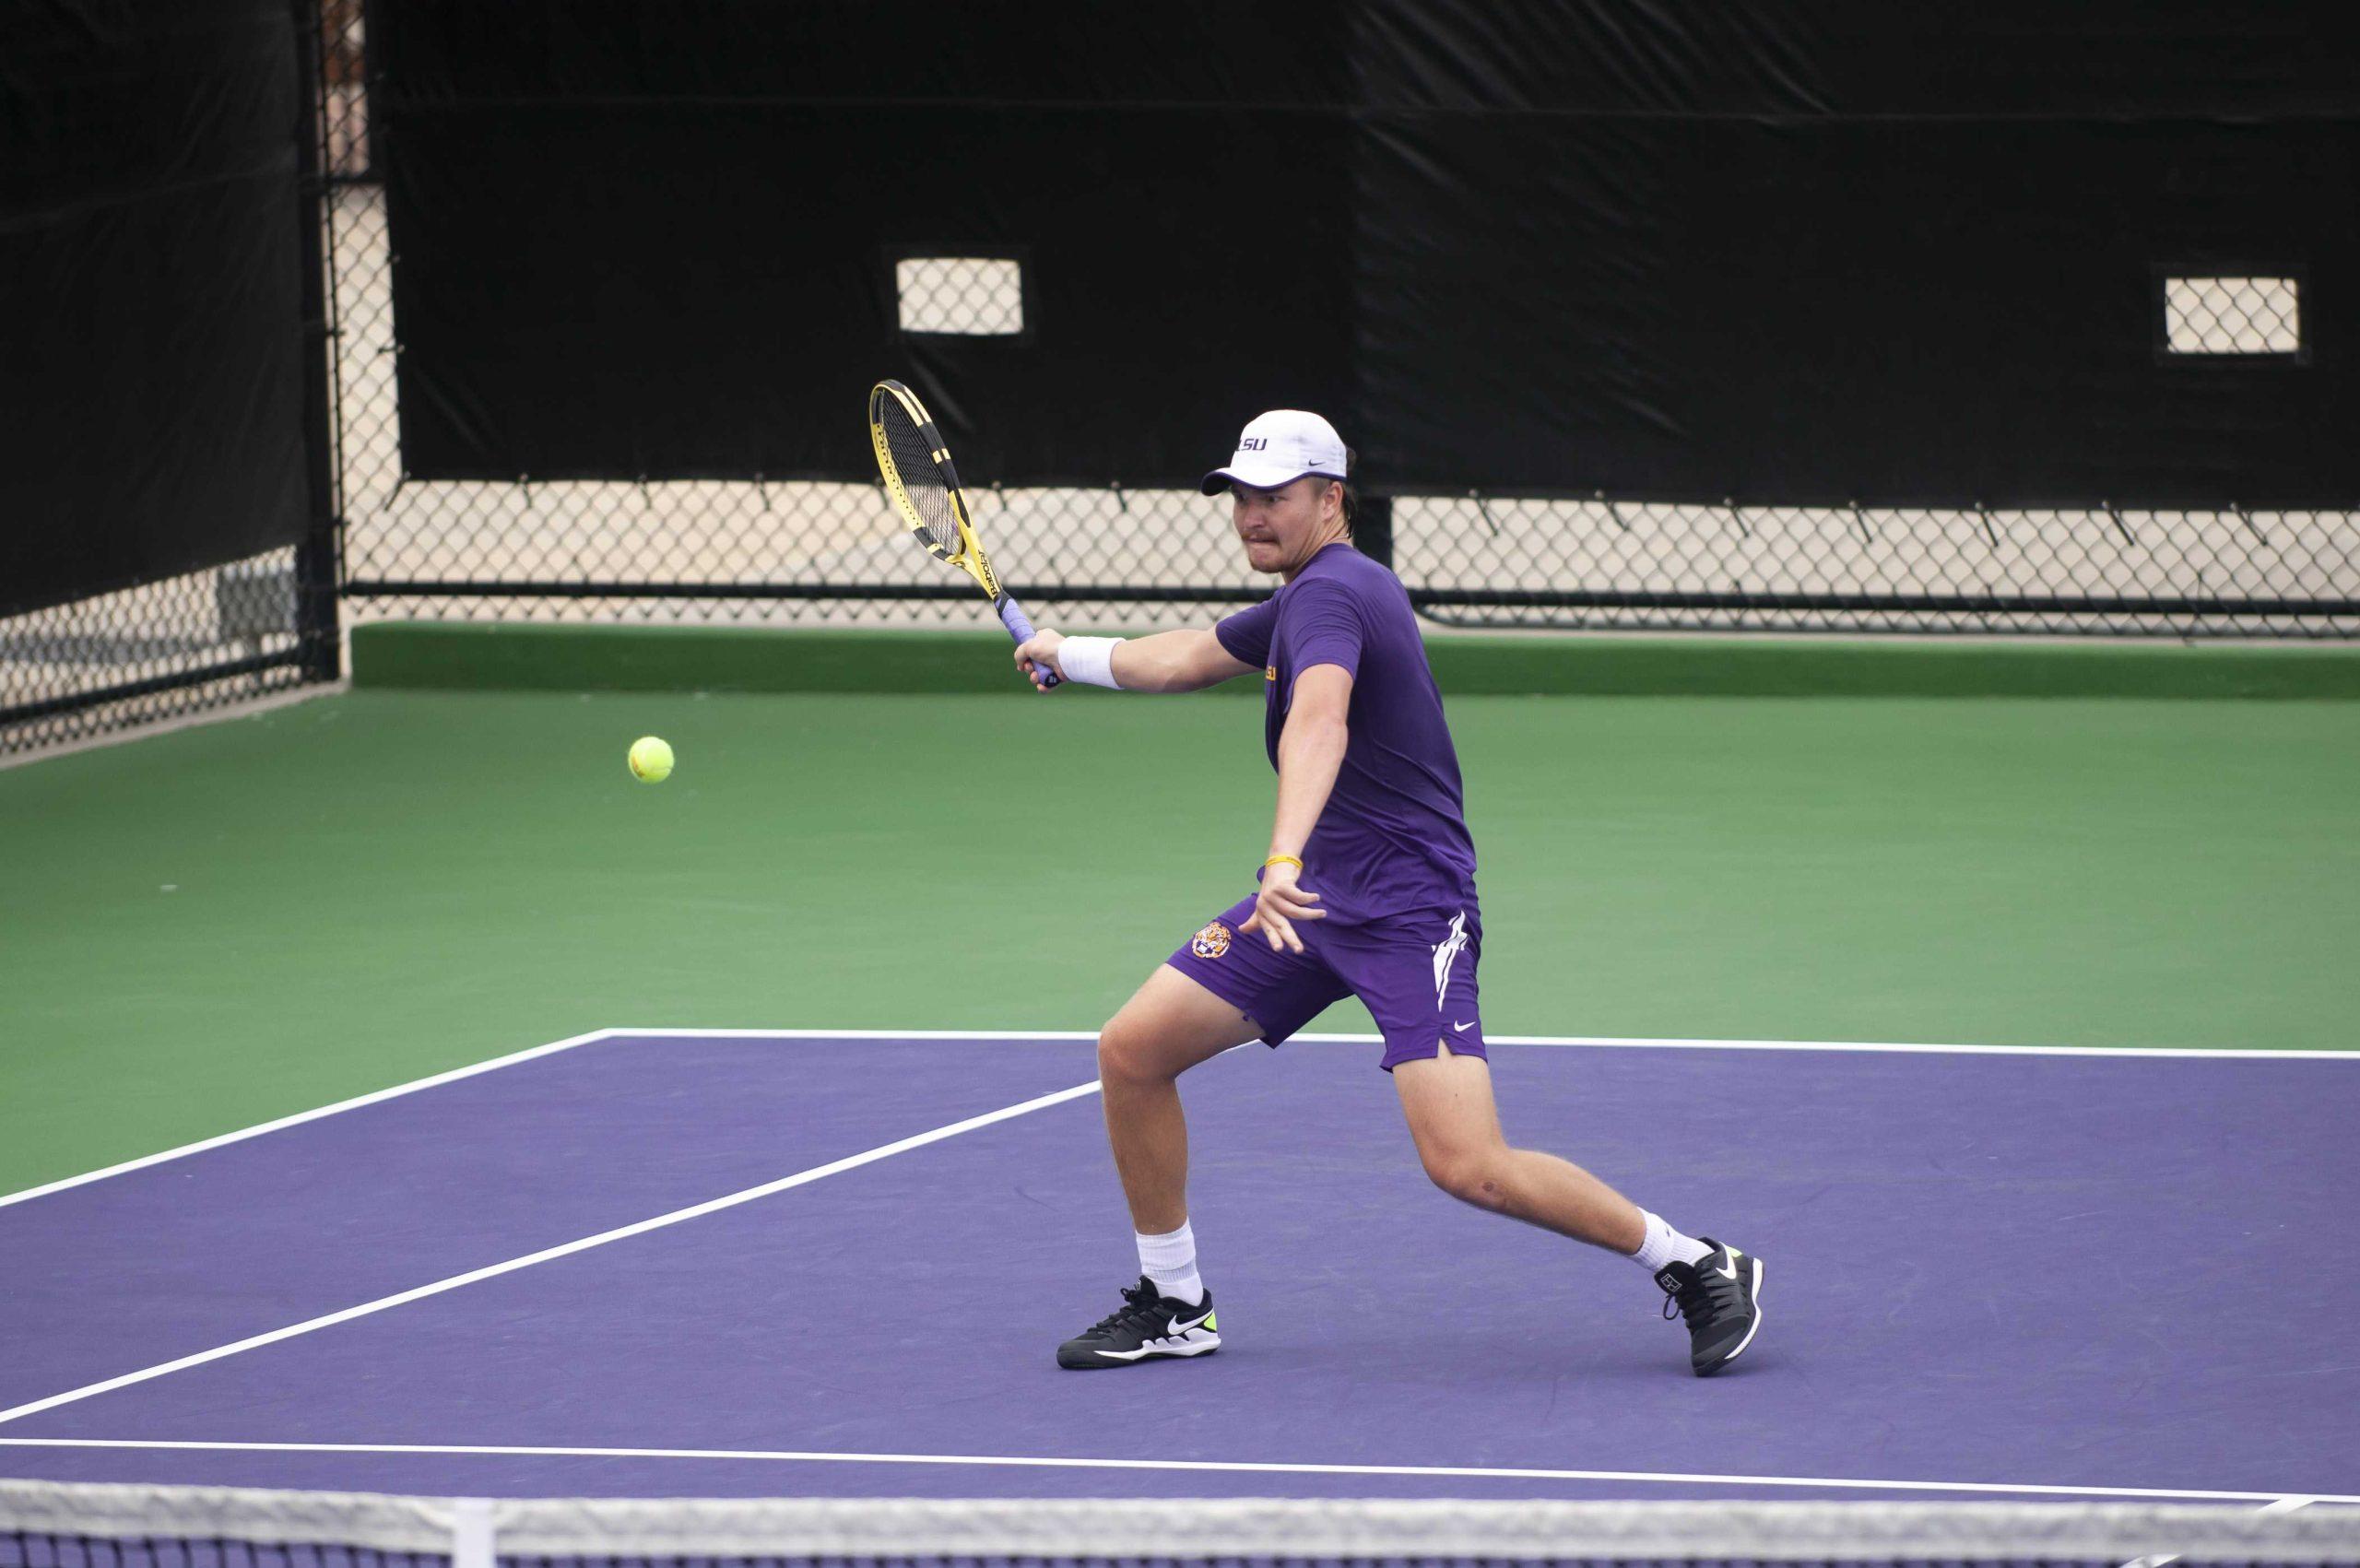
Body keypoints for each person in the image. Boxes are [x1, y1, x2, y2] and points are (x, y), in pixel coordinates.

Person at [1014, 410, 1763, 1376]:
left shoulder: (1335, 594)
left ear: (1331, 499)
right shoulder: (1305, 597)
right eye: (1239, 497)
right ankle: (1174, 1301)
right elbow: (1187, 658)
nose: (1250, 515)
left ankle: (1694, 1261)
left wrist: (1279, 858)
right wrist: (1068, 654)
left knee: (1468, 1166)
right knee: (1133, 1052)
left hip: (1408, 911)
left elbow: (1317, 722)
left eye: (1273, 497)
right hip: (1319, 903)